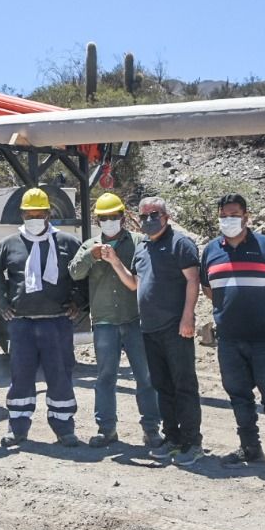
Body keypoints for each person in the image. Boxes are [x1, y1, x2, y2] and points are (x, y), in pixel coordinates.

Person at [105, 196, 204, 466]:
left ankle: (192, 443)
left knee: (184, 385)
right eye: (145, 215)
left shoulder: (180, 244)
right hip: (149, 330)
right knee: (162, 386)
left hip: (176, 328)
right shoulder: (143, 248)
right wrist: (115, 262)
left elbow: (193, 281)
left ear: (166, 216)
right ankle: (172, 439)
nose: (150, 219)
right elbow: (135, 284)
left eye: (155, 214)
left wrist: (188, 317)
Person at [200, 193, 265, 472]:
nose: (229, 220)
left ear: (246, 216)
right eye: (224, 215)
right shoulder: (211, 250)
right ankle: (250, 449)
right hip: (229, 339)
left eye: (235, 214)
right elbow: (208, 289)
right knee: (238, 395)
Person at [0, 187, 85, 448]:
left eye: (39, 212)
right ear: (21, 214)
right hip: (22, 325)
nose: (34, 217)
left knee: (60, 376)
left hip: (57, 323)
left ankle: (65, 429)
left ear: (48, 213)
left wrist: (78, 302)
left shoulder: (66, 243)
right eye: (29, 213)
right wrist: (1, 304)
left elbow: (83, 274)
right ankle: (17, 428)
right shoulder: (8, 245)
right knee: (21, 376)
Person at [69, 192, 162, 448]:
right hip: (104, 323)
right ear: (97, 219)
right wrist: (92, 255)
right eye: (103, 218)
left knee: (145, 377)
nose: (108, 221)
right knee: (105, 377)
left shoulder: (139, 242)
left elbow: (147, 276)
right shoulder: (89, 245)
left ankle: (152, 429)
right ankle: (106, 429)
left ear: (122, 217)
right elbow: (74, 272)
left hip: (135, 320)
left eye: (113, 217)